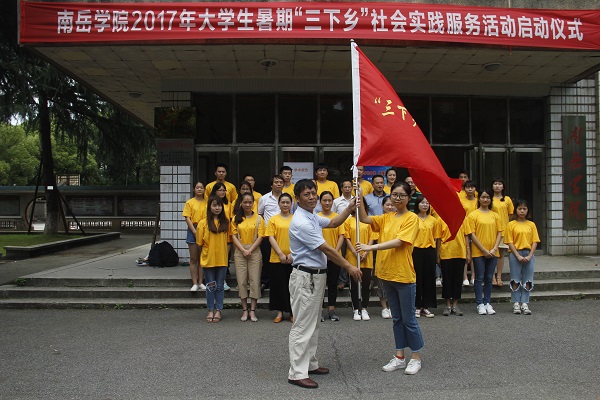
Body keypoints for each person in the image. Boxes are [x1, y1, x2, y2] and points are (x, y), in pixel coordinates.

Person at [287, 179, 361, 389]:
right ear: (297, 198)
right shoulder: (301, 222)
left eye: (314, 193)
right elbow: (327, 249)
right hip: (306, 277)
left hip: (315, 277)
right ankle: (297, 372)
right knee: (303, 325)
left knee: (313, 323)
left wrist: (350, 207)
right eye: (307, 194)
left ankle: (310, 364)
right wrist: (349, 266)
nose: (312, 197)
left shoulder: (311, 215)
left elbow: (334, 222)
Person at [356, 182, 424, 375]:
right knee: (396, 318)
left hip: (403, 275)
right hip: (386, 273)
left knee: (409, 319)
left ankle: (416, 357)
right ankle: (399, 356)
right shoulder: (387, 217)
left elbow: (400, 241)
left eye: (402, 195)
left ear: (409, 198)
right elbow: (364, 218)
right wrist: (359, 196)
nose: (397, 198)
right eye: (394, 194)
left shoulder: (412, 218)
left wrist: (371, 247)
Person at [468, 188, 503, 316]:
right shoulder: (473, 215)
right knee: (479, 278)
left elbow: (500, 233)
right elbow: (472, 234)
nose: (485, 199)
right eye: (483, 197)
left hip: (493, 252)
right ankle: (479, 304)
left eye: (488, 197)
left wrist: (494, 248)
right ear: (479, 199)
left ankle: (487, 302)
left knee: (489, 278)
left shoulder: (495, 215)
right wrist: (483, 249)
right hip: (479, 252)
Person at [231, 193, 265, 322]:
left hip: (254, 252)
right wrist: (243, 250)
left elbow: (261, 236)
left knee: (255, 281)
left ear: (253, 203)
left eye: (250, 202)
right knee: (242, 281)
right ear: (241, 203)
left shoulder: (259, 218)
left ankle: (253, 310)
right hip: (240, 252)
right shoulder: (236, 218)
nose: (247, 204)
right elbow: (233, 236)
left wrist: (250, 250)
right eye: (245, 202)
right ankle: (245, 310)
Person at [196, 195, 230, 323]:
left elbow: (229, 242)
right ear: (209, 207)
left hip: (221, 259)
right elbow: (199, 243)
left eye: (219, 205)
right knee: (210, 286)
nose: (217, 208)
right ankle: (210, 310)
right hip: (208, 259)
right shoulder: (202, 223)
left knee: (220, 286)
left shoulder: (226, 222)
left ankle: (219, 310)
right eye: (214, 205)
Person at [505, 199, 540, 315]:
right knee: (515, 279)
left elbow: (535, 241)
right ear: (516, 210)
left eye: (524, 208)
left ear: (527, 210)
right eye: (519, 208)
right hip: (515, 253)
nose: (522, 211)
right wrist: (517, 255)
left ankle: (525, 303)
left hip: (528, 253)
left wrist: (530, 255)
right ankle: (516, 302)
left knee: (528, 279)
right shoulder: (511, 224)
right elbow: (509, 241)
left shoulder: (531, 224)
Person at [317, 191, 345, 321]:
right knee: (320, 285)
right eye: (324, 200)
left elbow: (341, 236)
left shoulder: (337, 217)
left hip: (335, 256)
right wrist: (325, 252)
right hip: (319, 256)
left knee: (333, 284)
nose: (327, 203)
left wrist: (334, 252)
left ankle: (332, 309)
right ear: (320, 202)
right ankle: (320, 310)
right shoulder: (316, 217)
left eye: (329, 200)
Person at [266, 193, 294, 323]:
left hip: (293, 258)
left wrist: (292, 253)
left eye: (288, 202)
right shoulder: (273, 219)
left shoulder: (295, 219)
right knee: (278, 286)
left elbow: (299, 237)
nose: (285, 205)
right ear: (278, 204)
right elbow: (271, 237)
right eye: (283, 202)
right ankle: (280, 312)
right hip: (276, 258)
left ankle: (292, 312)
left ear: (291, 204)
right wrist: (280, 254)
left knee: (293, 287)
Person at [412, 195, 441, 318]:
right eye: (422, 203)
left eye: (427, 203)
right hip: (416, 251)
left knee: (429, 279)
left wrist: (437, 254)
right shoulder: (413, 218)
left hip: (429, 251)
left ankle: (426, 306)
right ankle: (416, 306)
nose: (425, 205)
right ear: (417, 204)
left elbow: (436, 238)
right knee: (417, 278)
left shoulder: (433, 220)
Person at [344, 204, 375, 321]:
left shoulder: (368, 220)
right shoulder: (348, 221)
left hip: (366, 256)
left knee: (366, 284)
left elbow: (372, 237)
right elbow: (346, 238)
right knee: (354, 283)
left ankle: (364, 308)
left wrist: (366, 251)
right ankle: (356, 309)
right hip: (353, 256)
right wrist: (354, 251)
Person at [437, 217, 472, 316]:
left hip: (460, 253)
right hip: (446, 253)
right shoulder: (441, 219)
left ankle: (455, 305)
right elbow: (439, 238)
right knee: (447, 280)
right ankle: (448, 305)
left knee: (458, 280)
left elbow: (466, 236)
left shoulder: (463, 218)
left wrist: (468, 252)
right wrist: (438, 255)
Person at [258, 175, 285, 290]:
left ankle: (280, 280)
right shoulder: (264, 198)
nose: (278, 184)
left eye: (280, 182)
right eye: (276, 182)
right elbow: (260, 214)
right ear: (271, 185)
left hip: (283, 233)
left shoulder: (287, 198)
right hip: (268, 234)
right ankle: (265, 281)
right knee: (267, 257)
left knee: (282, 257)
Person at [182, 181, 207, 291]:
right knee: (193, 258)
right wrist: (194, 231)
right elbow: (187, 218)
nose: (199, 189)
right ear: (194, 189)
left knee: (202, 258)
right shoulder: (190, 202)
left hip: (205, 230)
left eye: (201, 187)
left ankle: (201, 282)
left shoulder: (207, 202)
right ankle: (194, 283)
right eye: (197, 187)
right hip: (193, 229)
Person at [491, 178, 514, 287]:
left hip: (503, 230)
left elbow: (510, 214)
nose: (497, 186)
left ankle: (499, 276)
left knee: (501, 254)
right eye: (495, 184)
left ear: (503, 186)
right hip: (491, 230)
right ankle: (492, 277)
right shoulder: (489, 198)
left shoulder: (507, 199)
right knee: (492, 254)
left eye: (499, 184)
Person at [333, 179, 354, 290]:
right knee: (341, 255)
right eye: (345, 187)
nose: (347, 189)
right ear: (341, 189)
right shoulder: (336, 201)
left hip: (353, 231)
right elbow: (333, 216)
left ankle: (352, 278)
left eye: (349, 187)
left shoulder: (356, 200)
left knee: (352, 255)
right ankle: (342, 280)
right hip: (341, 232)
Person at [460, 180, 478, 286]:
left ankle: (474, 276)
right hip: (464, 227)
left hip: (476, 228)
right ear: (464, 189)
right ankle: (465, 276)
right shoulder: (461, 200)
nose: (470, 189)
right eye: (468, 187)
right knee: (465, 252)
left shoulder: (478, 201)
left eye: (472, 187)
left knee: (474, 252)